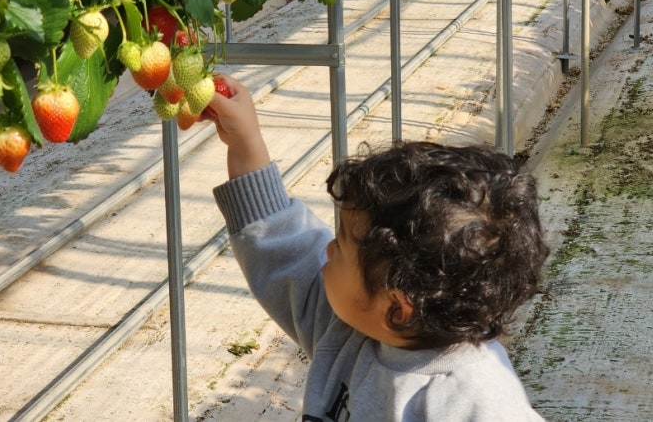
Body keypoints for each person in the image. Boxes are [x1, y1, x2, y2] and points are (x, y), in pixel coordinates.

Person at [204, 73, 550, 421]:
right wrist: (244, 142)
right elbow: (287, 251)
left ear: (398, 310)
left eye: (340, 247)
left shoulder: (476, 401)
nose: (325, 251)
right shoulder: (351, 325)